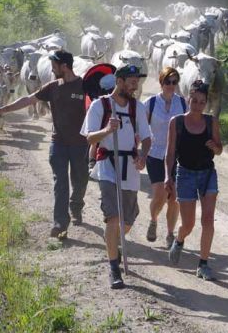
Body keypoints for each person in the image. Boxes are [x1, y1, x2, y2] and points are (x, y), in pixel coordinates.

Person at [0, 50, 88, 239]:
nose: (51, 69)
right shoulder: (52, 87)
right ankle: (60, 224)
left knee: (80, 181)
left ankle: (76, 205)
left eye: (54, 66)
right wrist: (3, 109)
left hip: (80, 145)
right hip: (58, 144)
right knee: (60, 184)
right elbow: (28, 99)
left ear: (64, 66)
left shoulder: (84, 86)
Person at [80, 64, 151, 289]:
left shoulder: (137, 107)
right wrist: (107, 131)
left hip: (130, 166)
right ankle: (113, 269)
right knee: (113, 217)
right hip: (107, 165)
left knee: (127, 221)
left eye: (137, 81)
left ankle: (114, 244)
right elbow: (90, 138)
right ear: (118, 81)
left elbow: (147, 138)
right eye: (131, 81)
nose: (135, 85)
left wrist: (143, 155)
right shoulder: (100, 106)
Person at [165, 80, 223, 281]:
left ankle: (203, 264)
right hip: (186, 173)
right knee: (188, 224)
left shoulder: (211, 122)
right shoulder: (177, 122)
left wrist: (214, 146)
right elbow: (170, 152)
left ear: (206, 103)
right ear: (188, 99)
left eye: (202, 102)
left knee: (208, 219)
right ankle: (179, 240)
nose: (197, 105)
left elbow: (220, 149)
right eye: (194, 100)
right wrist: (168, 176)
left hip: (207, 174)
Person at [142, 67, 187, 248]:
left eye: (174, 82)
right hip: (155, 153)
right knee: (160, 194)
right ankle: (153, 220)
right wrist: (138, 150)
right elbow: (141, 128)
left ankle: (170, 234)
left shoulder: (183, 104)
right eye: (167, 82)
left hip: (177, 156)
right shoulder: (150, 103)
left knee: (174, 198)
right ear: (161, 83)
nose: (171, 85)